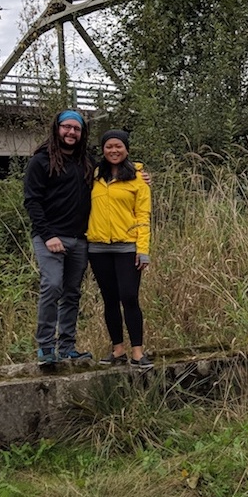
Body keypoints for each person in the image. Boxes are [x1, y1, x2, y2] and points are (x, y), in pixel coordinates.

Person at [23, 110, 94, 366]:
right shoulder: (41, 161)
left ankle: (66, 347)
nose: (71, 133)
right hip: (49, 237)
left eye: (77, 129)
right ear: (57, 129)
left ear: (82, 133)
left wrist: (139, 175)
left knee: (72, 293)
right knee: (52, 286)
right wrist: (49, 234)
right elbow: (32, 201)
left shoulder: (86, 162)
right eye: (67, 127)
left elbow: (113, 173)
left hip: (79, 239)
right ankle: (45, 348)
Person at [86, 129, 154, 370]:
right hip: (98, 247)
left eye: (118, 146)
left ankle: (138, 351)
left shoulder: (138, 178)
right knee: (110, 299)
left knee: (129, 296)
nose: (113, 150)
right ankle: (118, 350)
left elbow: (143, 216)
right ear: (103, 150)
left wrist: (142, 249)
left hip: (128, 247)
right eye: (108, 147)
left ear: (126, 149)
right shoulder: (93, 176)